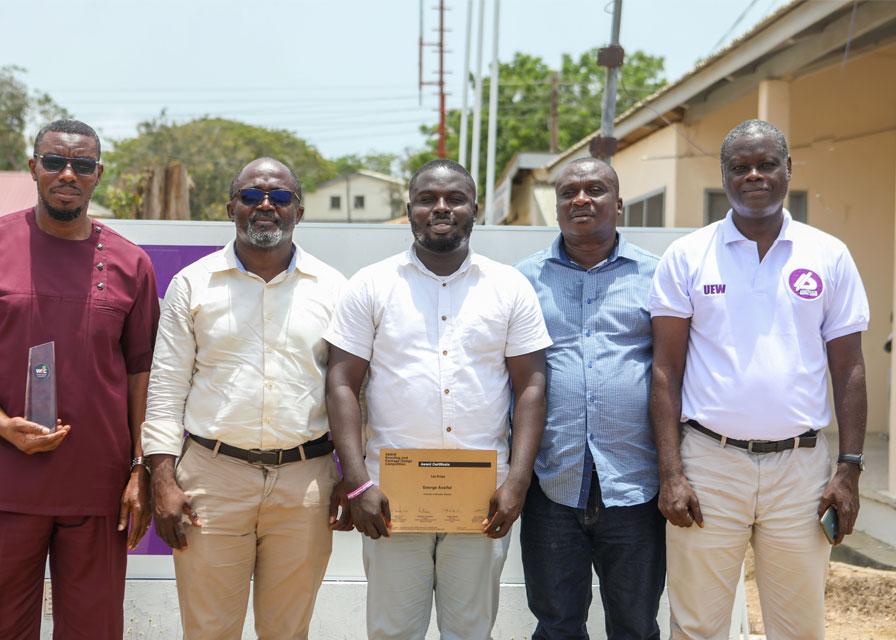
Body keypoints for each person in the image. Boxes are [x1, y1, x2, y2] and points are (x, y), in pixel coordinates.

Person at [0, 119, 159, 639]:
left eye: (82, 165)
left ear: (97, 175)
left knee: (94, 629)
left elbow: (140, 373)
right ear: (33, 167)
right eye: (55, 162)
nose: (67, 174)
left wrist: (139, 468)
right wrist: (1, 423)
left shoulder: (130, 263)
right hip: (7, 474)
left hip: (97, 482)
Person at [649, 119, 869, 639]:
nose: (754, 175)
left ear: (788, 170)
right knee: (698, 624)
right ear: (723, 176)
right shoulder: (687, 256)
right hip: (709, 464)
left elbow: (849, 366)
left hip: (802, 469)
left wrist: (850, 468)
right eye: (739, 166)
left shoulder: (828, 254)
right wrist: (671, 473)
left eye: (766, 164)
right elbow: (666, 369)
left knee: (799, 628)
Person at [325, 158, 551, 640]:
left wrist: (517, 481)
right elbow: (342, 383)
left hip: (482, 496)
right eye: (427, 198)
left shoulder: (509, 286)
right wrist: (359, 484)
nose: (441, 207)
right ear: (409, 208)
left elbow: (531, 386)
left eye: (455, 198)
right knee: (392, 632)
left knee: (469, 631)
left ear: (475, 209)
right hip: (390, 496)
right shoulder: (371, 284)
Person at [142, 157, 351, 640]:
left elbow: (353, 389)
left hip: (306, 482)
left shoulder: (335, 288)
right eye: (252, 196)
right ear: (231, 207)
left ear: (299, 210)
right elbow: (167, 385)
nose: (265, 206)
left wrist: (352, 474)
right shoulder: (192, 284)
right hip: (212, 480)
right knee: (209, 630)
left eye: (279, 197)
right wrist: (162, 478)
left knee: (287, 630)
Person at [515, 158, 664, 640]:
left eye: (595, 189)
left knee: (636, 625)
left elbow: (674, 372)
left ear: (618, 203)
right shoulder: (521, 281)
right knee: (556, 624)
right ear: (556, 207)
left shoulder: (657, 276)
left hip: (636, 484)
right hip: (551, 483)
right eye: (568, 192)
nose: (581, 199)